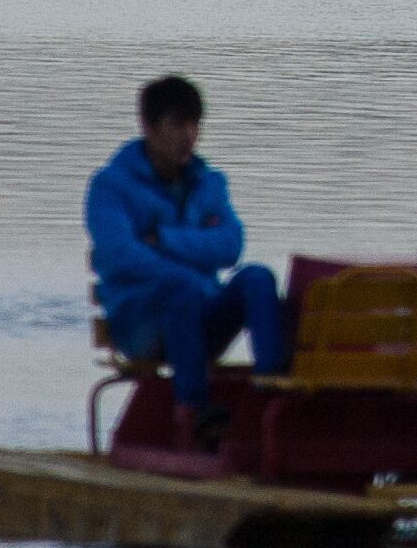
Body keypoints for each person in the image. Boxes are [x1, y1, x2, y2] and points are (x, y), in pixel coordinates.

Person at [86, 74, 286, 442]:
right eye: (178, 124)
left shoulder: (209, 182)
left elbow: (230, 245)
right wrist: (191, 267)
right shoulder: (110, 187)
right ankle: (194, 413)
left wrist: (163, 239)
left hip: (200, 314)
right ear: (148, 126)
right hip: (140, 324)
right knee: (181, 288)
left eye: (196, 125)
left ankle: (273, 397)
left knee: (257, 277)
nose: (189, 135)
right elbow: (121, 257)